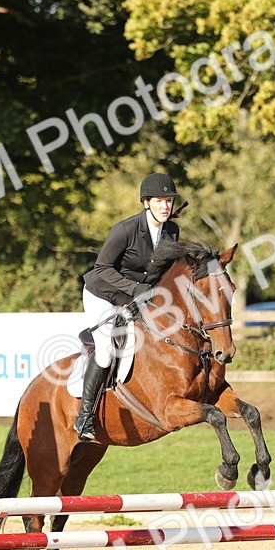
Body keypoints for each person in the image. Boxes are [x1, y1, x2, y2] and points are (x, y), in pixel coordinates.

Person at [75, 172, 181, 441]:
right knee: (106, 348)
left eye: (169, 200)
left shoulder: (171, 231)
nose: (165, 206)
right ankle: (85, 416)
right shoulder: (125, 230)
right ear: (146, 202)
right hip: (103, 292)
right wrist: (136, 290)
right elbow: (101, 269)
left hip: (137, 296)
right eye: (159, 200)